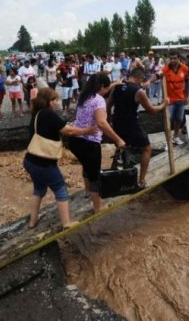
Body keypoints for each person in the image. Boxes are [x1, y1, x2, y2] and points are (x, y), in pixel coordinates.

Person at [24, 88, 98, 229]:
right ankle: (67, 223)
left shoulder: (37, 113)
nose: (57, 103)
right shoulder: (48, 114)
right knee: (61, 189)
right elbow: (68, 131)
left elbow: (60, 127)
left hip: (30, 161)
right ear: (48, 101)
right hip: (44, 163)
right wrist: (87, 130)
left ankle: (33, 221)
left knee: (39, 189)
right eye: (55, 100)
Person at [68, 73, 126, 213]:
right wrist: (118, 139)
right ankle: (98, 207)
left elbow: (103, 91)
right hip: (89, 142)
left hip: (75, 139)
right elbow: (101, 122)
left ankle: (87, 191)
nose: (107, 91)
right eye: (106, 88)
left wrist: (114, 84)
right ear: (101, 87)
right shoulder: (99, 100)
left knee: (86, 164)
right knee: (94, 174)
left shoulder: (84, 95)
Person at [107, 67, 168, 189]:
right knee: (147, 148)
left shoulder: (117, 87)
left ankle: (116, 176)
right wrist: (164, 104)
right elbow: (152, 110)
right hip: (131, 125)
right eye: (141, 80)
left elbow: (108, 106)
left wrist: (109, 122)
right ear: (140, 78)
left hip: (117, 123)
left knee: (121, 147)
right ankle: (141, 181)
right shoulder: (139, 91)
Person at [150, 50, 189, 145]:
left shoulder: (185, 69)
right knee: (168, 121)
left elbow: (187, 82)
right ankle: (168, 142)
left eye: (174, 58)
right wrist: (148, 81)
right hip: (169, 100)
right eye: (171, 58)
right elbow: (157, 75)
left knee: (179, 119)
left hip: (180, 99)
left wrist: (186, 96)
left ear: (178, 58)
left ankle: (176, 137)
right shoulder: (165, 69)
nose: (172, 60)